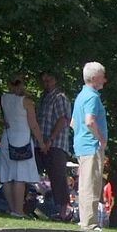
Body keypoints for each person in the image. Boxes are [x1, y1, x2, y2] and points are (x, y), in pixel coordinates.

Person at [0, 76, 45, 216]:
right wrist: (41, 142)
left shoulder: (3, 99)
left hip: (7, 139)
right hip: (23, 140)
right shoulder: (27, 102)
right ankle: (18, 210)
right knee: (20, 176)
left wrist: (2, 121)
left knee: (8, 176)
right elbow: (33, 125)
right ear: (23, 85)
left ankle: (12, 208)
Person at [71, 62, 109, 230]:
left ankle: (84, 219)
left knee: (85, 184)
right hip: (91, 145)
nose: (105, 80)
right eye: (102, 76)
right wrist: (101, 139)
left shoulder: (81, 95)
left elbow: (73, 122)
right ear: (94, 78)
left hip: (81, 144)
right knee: (91, 185)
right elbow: (89, 121)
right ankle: (90, 223)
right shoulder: (92, 96)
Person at [35, 72, 73, 221]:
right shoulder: (44, 98)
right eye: (44, 80)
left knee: (58, 177)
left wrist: (50, 139)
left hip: (56, 144)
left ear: (55, 80)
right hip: (40, 143)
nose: (46, 83)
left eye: (49, 79)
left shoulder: (60, 97)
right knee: (32, 173)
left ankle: (64, 211)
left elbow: (63, 119)